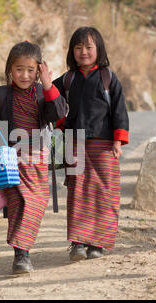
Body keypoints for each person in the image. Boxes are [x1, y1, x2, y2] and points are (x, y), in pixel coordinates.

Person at [53, 26, 129, 261]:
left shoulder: (108, 77)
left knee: (105, 192)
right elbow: (50, 99)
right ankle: (78, 242)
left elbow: (119, 110)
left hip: (104, 145)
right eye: (78, 47)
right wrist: (59, 124)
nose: (83, 52)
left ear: (99, 49)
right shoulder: (68, 79)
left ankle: (97, 243)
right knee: (78, 191)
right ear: (72, 51)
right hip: (75, 143)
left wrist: (118, 140)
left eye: (88, 47)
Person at [0, 41, 68, 274]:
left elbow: (59, 114)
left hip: (37, 157)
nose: (24, 75)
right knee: (16, 204)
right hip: (12, 158)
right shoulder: (3, 94)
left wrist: (47, 85)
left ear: (38, 71)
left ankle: (20, 246)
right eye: (18, 69)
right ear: (9, 70)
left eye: (30, 70)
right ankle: (21, 256)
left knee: (36, 202)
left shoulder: (44, 94)